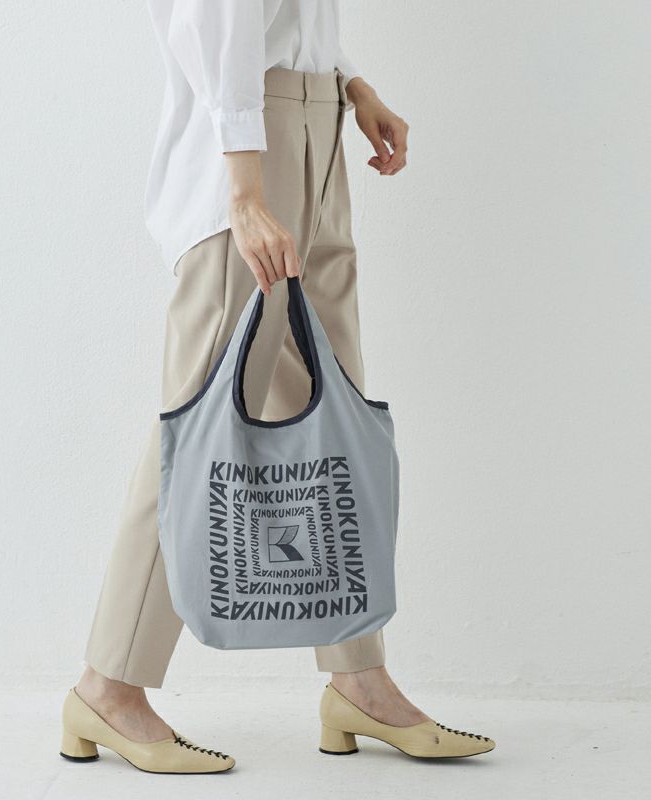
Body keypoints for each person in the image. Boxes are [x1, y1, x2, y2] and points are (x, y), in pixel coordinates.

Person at [59, 0, 495, 773]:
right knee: (198, 427)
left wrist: (350, 83)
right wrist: (244, 191)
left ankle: (359, 680)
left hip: (315, 125)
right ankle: (107, 686)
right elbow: (219, 21)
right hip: (249, 147)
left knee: (336, 414)